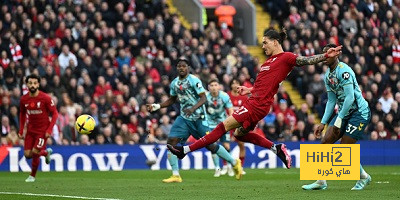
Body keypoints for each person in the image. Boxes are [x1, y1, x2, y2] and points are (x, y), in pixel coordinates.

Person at [167, 29, 342, 171]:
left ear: (275, 42)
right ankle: (276, 148)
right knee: (239, 134)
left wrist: (325, 56)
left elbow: (305, 61)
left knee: (223, 126)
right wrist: (249, 90)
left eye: (265, 42)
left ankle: (185, 150)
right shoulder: (269, 61)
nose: (263, 46)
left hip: (257, 105)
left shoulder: (286, 57)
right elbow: (267, 85)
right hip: (255, 101)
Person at [147, 59, 242, 183]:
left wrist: (193, 108)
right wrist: (158, 106)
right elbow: (172, 99)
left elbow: (203, 98)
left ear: (188, 67)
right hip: (184, 118)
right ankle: (176, 174)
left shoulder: (194, 80)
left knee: (210, 145)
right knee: (171, 142)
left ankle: (234, 162)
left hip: (199, 118)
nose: (181, 68)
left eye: (184, 66)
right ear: (177, 68)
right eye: (179, 66)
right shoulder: (174, 83)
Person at [302, 44, 371, 191]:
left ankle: (364, 177)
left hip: (359, 112)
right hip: (343, 113)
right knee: (325, 141)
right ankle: (321, 181)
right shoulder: (328, 75)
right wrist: (323, 122)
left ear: (336, 54)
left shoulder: (344, 71)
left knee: (345, 147)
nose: (325, 57)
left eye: (329, 54)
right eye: (324, 55)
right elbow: (332, 100)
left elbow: (350, 97)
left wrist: (339, 118)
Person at [19, 74, 58, 182]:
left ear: (38, 84)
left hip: (42, 131)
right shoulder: (24, 99)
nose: (32, 85)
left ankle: (32, 176)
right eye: (30, 83)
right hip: (30, 131)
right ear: (27, 84)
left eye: (35, 83)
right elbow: (22, 114)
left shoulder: (45, 98)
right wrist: (21, 130)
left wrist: (49, 129)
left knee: (35, 153)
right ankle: (46, 153)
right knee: (27, 155)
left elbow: (55, 113)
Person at [204, 79, 234, 177]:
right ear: (208, 87)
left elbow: (230, 109)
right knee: (213, 146)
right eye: (211, 85)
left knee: (226, 146)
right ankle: (217, 168)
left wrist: (231, 121)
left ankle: (229, 167)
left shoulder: (224, 96)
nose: (213, 87)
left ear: (219, 86)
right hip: (210, 125)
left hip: (223, 124)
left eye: (215, 85)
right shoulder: (205, 97)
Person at [226, 78, 248, 175]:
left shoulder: (244, 97)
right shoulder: (227, 96)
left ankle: (241, 167)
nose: (235, 85)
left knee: (241, 145)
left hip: (240, 124)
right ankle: (227, 166)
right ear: (230, 85)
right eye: (233, 83)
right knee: (226, 145)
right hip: (228, 123)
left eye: (237, 83)